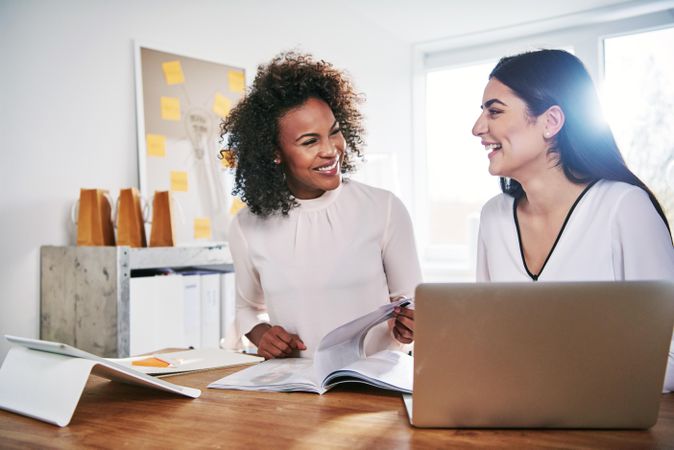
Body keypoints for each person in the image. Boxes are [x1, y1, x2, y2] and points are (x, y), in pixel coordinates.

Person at [471, 49, 674, 390]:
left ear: (550, 122)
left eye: (494, 111)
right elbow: (488, 337)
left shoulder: (625, 208)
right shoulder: (493, 217)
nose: (478, 128)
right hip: (513, 417)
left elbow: (669, 356)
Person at [219, 52, 421, 360]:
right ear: (275, 152)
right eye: (309, 141)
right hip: (295, 386)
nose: (330, 150)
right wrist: (263, 335)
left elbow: (412, 301)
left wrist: (410, 324)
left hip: (375, 385)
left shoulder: (384, 208)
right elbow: (247, 310)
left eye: (335, 132)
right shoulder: (247, 226)